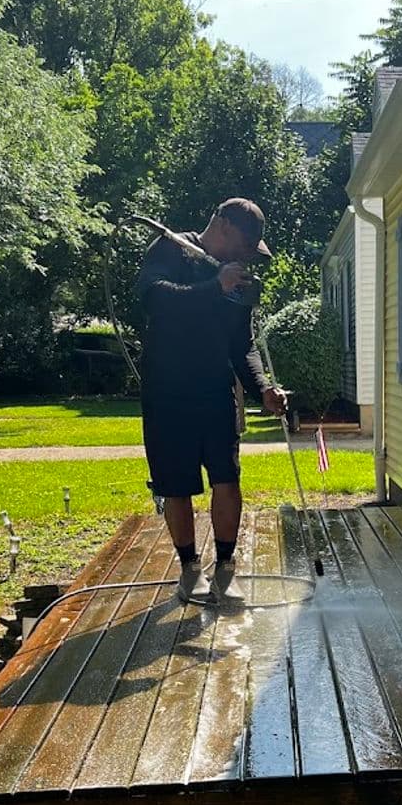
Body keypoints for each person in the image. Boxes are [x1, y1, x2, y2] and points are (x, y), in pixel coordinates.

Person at [135, 198, 287, 604]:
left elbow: (243, 345)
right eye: (243, 243)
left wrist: (263, 389)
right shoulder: (171, 249)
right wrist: (213, 286)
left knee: (227, 478)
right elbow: (154, 299)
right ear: (220, 224)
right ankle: (189, 570)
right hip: (166, 391)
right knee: (176, 483)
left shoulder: (240, 279)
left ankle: (225, 569)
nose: (245, 253)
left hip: (216, 391)